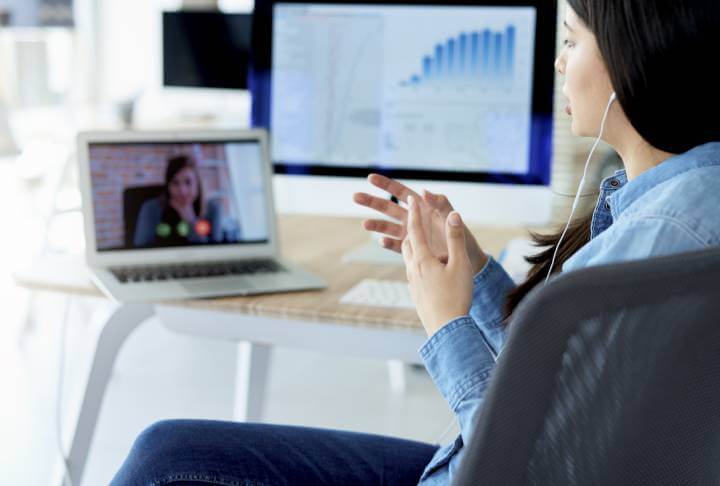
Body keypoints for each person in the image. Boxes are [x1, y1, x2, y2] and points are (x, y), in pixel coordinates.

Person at [112, 1, 720, 484]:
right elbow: (550, 391)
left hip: (477, 469)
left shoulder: (663, 236)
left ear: (628, 52)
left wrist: (444, 321)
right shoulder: (687, 199)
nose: (559, 64)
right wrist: (476, 273)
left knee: (165, 459)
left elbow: (520, 466)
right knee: (166, 448)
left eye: (570, 40)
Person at [133, 155, 225, 248]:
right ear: (168, 186)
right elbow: (141, 250)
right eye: (175, 183)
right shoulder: (151, 208)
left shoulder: (214, 208)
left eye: (188, 182)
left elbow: (213, 253)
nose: (182, 191)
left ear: (198, 184)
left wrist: (190, 221)